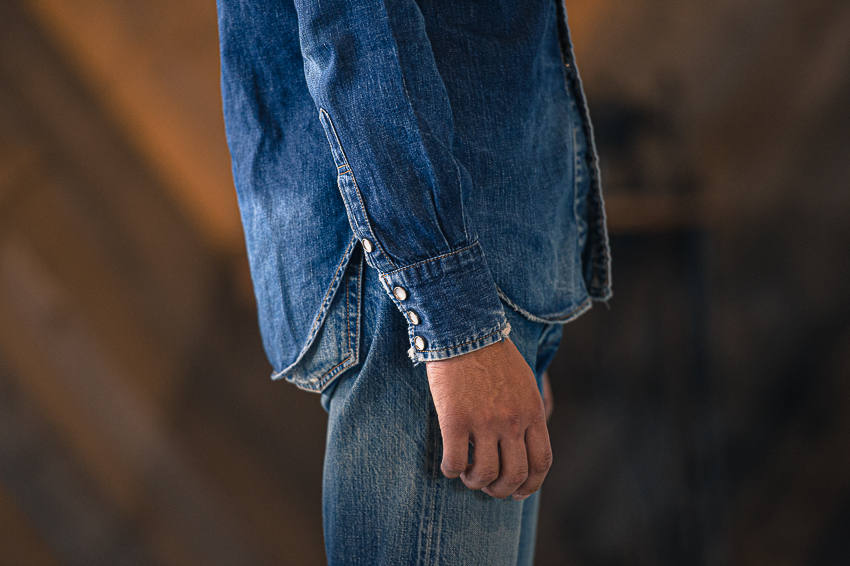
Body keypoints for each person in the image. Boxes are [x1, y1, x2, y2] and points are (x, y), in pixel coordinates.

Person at [216, 0, 611, 563]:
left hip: (468, 274)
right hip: (422, 280)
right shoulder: (441, 306)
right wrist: (454, 321)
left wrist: (508, 318)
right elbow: (357, 22)